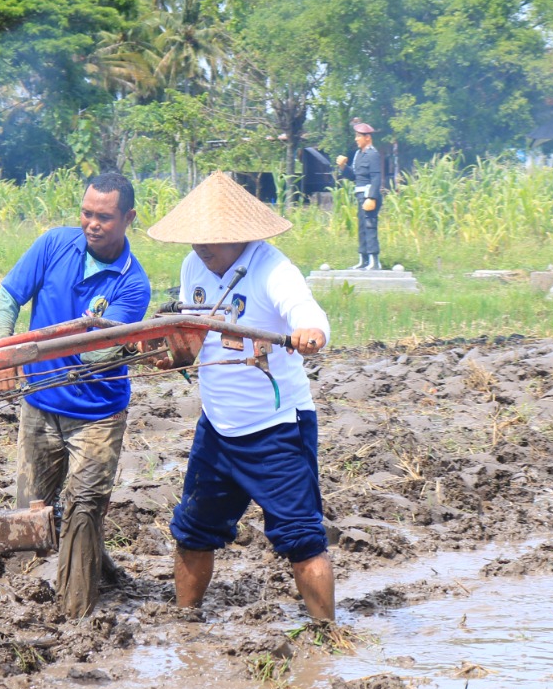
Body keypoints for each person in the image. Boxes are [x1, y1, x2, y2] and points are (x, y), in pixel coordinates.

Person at [145, 172, 334, 622]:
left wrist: (310, 332)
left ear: (240, 234)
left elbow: (306, 312)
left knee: (302, 540)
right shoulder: (193, 267)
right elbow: (194, 335)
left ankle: (329, 636)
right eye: (194, 239)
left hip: (275, 429)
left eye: (209, 239)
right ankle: (186, 627)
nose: (200, 247)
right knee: (193, 531)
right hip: (217, 427)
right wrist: (172, 355)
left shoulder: (274, 270)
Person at [0, 172, 152, 618]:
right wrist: (2, 351)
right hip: (40, 404)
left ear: (128, 219)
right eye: (86, 213)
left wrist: (128, 345)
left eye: (104, 217)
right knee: (30, 512)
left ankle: (77, 618)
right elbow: (7, 297)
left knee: (83, 510)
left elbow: (96, 355)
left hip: (96, 415)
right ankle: (17, 607)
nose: (92, 224)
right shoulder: (53, 245)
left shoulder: (133, 283)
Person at [335, 121, 384, 270]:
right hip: (360, 195)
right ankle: (363, 259)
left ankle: (374, 261)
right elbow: (354, 177)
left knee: (370, 226)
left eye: (359, 136)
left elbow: (376, 177)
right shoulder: (359, 154)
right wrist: (343, 166)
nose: (356, 139)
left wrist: (372, 198)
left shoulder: (372, 154)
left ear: (367, 137)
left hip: (369, 195)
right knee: (362, 227)